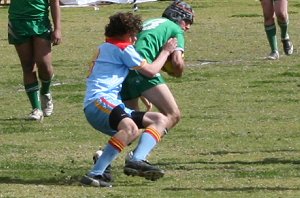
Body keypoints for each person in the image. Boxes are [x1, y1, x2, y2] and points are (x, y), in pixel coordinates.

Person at [80, 12, 177, 187]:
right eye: (132, 35)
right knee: (130, 128)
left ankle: (137, 159)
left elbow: (119, 74)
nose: (134, 39)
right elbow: (151, 71)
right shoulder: (122, 48)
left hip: (104, 103)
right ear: (123, 33)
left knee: (159, 119)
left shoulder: (107, 46)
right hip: (99, 101)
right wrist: (166, 51)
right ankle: (95, 174)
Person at [121, 0, 194, 131]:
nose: (188, 27)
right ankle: (139, 152)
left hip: (124, 69)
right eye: (187, 22)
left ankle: (105, 152)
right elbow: (177, 62)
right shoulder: (175, 29)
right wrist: (177, 71)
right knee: (172, 115)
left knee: (131, 127)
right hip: (144, 68)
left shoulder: (148, 23)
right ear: (177, 17)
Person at [8, 0, 62, 121]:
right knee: (27, 66)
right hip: (17, 21)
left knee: (43, 64)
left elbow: (54, 2)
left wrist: (57, 29)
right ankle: (36, 109)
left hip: (40, 22)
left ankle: (45, 92)